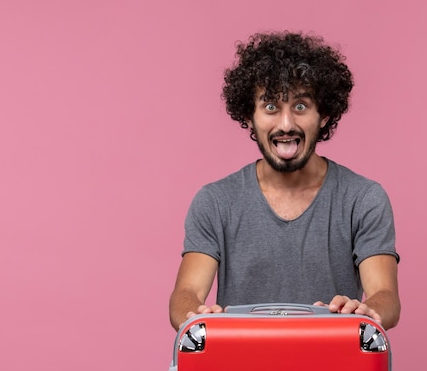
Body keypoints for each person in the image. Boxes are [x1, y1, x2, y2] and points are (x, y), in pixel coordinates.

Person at [169, 31, 400, 331]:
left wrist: (366, 310)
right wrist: (197, 315)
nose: (286, 124)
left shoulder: (363, 199)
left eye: (301, 106)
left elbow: (386, 297)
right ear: (249, 117)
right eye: (270, 107)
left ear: (325, 114)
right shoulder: (215, 202)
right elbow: (185, 295)